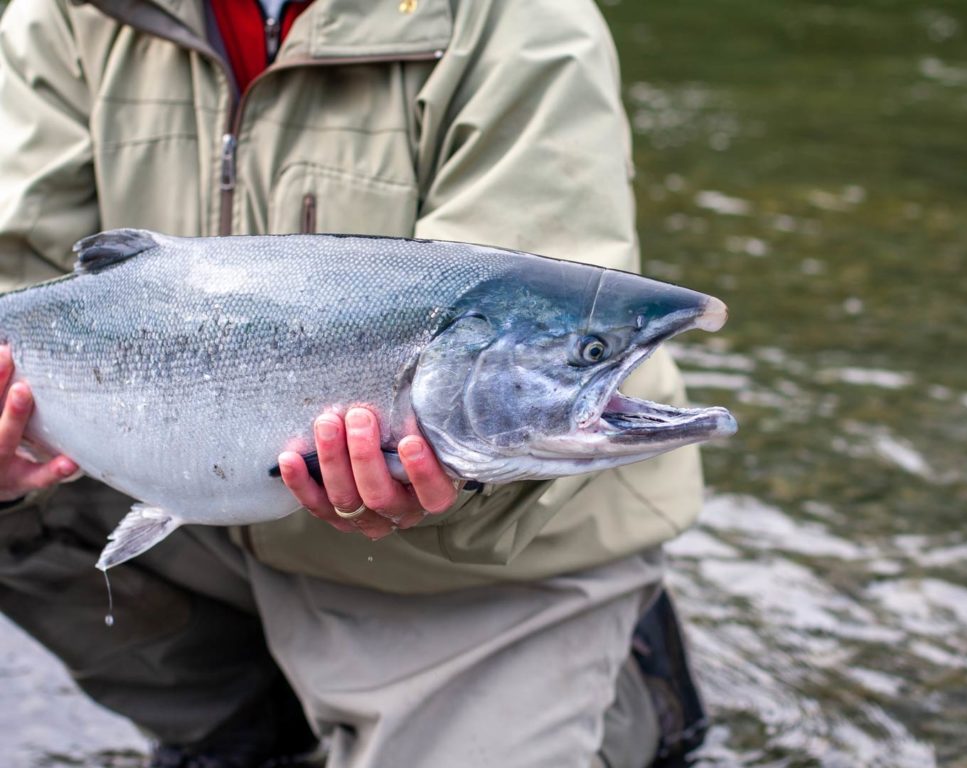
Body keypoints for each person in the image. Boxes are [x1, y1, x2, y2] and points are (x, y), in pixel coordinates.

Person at [0, 0, 708, 766]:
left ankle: (629, 692)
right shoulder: (67, 16)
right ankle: (242, 726)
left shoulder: (521, 19)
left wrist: (453, 473)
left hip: (467, 569)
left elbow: (534, 315)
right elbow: (20, 274)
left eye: (595, 351)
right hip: (199, 510)